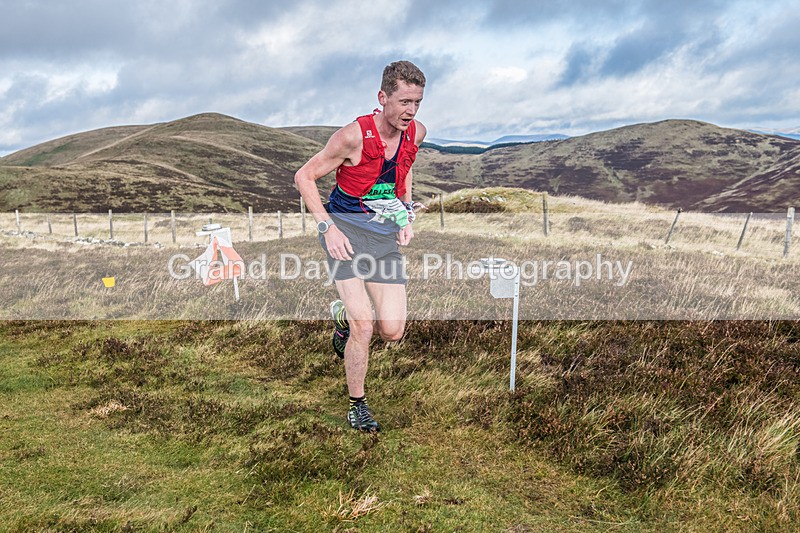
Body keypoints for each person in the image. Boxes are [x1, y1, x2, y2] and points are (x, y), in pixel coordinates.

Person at [294, 60, 427, 432]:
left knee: (393, 330)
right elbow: (304, 176)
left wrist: (405, 211)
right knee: (364, 324)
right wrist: (327, 227)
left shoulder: (416, 133)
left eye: (417, 102)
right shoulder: (352, 137)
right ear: (383, 97)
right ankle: (357, 404)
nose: (410, 110)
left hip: (383, 236)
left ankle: (340, 319)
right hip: (345, 235)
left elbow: (406, 166)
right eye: (403, 101)